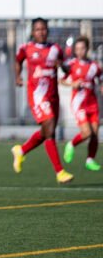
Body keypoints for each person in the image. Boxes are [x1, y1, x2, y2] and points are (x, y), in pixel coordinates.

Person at [11, 18, 73, 184]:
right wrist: (17, 76)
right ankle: (59, 172)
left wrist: (62, 66)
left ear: (47, 31)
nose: (41, 32)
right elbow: (17, 60)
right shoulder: (26, 48)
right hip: (37, 96)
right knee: (50, 125)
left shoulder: (55, 49)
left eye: (44, 29)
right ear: (32, 32)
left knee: (48, 132)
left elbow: (67, 68)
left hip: (53, 96)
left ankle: (21, 150)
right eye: (38, 29)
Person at [61, 36, 101, 171]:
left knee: (95, 134)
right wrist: (72, 83)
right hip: (79, 103)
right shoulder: (72, 64)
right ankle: (71, 145)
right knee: (86, 133)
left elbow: (101, 78)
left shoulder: (94, 66)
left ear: (87, 49)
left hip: (92, 103)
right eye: (77, 49)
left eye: (82, 48)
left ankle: (90, 159)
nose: (79, 51)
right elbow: (61, 80)